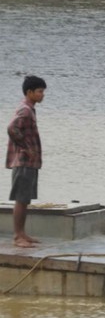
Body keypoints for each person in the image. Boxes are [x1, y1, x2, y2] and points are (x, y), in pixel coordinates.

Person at [6, 75, 47, 248]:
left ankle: (22, 233)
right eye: (39, 91)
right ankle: (17, 236)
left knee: (25, 199)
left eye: (43, 92)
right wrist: (26, 148)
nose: (42, 95)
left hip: (29, 163)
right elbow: (12, 128)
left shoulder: (30, 109)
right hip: (23, 161)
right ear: (29, 92)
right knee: (21, 199)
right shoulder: (25, 110)